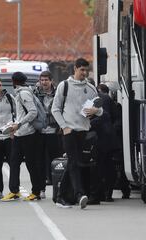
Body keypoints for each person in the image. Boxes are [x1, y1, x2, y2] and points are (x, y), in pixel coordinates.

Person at [51, 58, 103, 209]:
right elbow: (55, 109)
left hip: (84, 131)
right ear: (75, 69)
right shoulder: (64, 86)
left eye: (87, 70)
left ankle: (60, 197)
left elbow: (100, 109)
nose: (85, 73)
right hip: (68, 131)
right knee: (74, 162)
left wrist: (96, 111)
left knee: (75, 163)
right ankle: (80, 194)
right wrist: (64, 126)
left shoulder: (91, 87)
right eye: (82, 70)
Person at [1, 72, 43, 202]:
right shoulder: (20, 92)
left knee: (31, 163)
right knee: (14, 162)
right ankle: (14, 191)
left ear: (14, 81)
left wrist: (19, 124)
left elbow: (32, 112)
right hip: (20, 133)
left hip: (28, 134)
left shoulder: (24, 93)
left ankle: (36, 191)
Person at [34, 71, 61, 199]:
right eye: (42, 80)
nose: (44, 82)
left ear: (51, 81)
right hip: (39, 132)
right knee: (39, 162)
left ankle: (58, 189)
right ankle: (40, 189)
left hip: (54, 132)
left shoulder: (58, 93)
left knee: (56, 162)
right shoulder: (35, 94)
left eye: (46, 80)